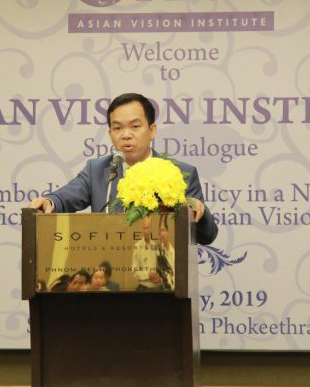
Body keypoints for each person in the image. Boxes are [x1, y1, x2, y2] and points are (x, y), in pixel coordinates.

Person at [28, 93, 218, 245]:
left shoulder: (180, 173)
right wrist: (49, 202)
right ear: (110, 133)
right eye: (117, 128)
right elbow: (64, 198)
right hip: (108, 273)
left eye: (135, 126)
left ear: (152, 130)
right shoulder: (98, 170)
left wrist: (196, 212)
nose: (126, 135)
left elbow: (207, 235)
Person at [131, 216, 163, 290]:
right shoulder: (137, 247)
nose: (145, 231)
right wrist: (148, 275)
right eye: (144, 228)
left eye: (147, 228)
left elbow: (160, 269)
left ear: (151, 229)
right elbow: (134, 272)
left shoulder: (155, 246)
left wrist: (159, 278)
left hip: (157, 288)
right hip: (144, 289)